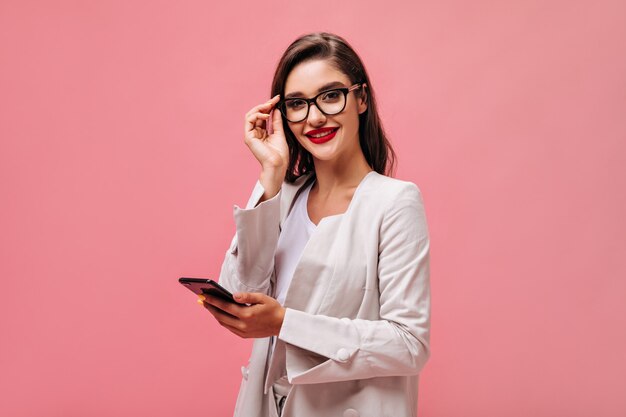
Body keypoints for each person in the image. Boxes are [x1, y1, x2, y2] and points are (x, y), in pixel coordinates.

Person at [198, 32, 431, 417]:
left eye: (330, 95)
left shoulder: (394, 202)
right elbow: (239, 291)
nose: (315, 117)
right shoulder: (283, 196)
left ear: (361, 99)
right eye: (297, 104)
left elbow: (408, 344)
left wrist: (285, 323)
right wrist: (270, 175)